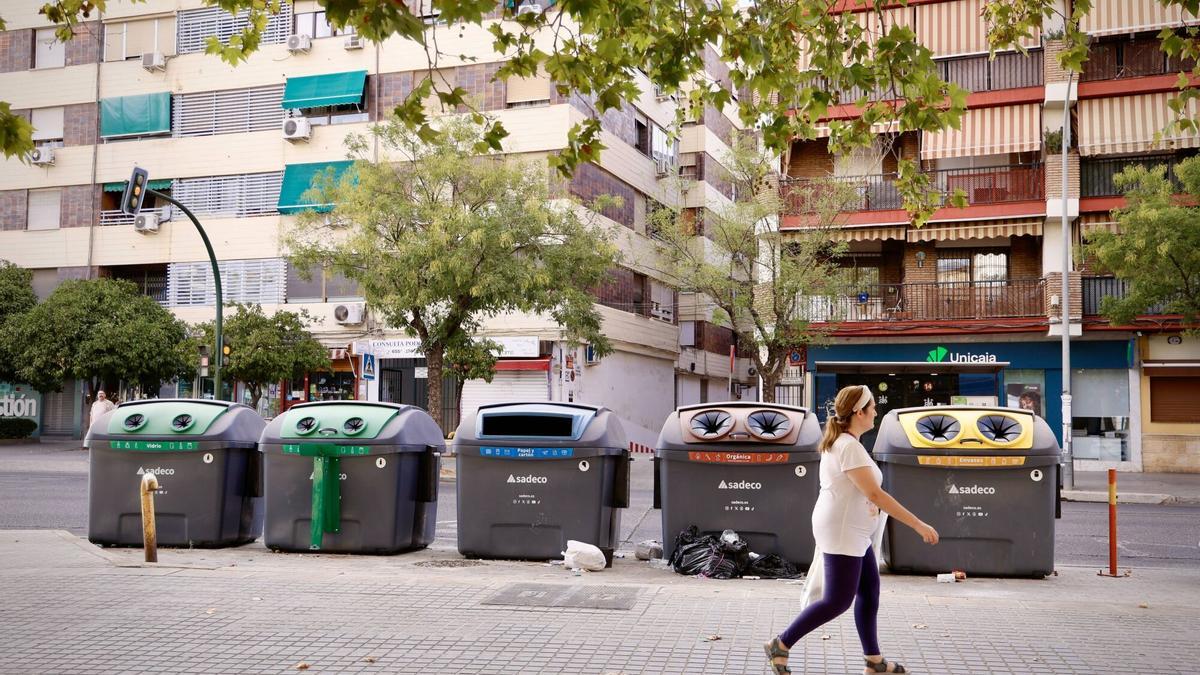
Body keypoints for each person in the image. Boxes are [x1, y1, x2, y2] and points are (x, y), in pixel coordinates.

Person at [763, 385, 940, 675]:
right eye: (872, 407)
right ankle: (780, 644)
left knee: (869, 591)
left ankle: (874, 661)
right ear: (859, 412)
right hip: (843, 531)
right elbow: (876, 494)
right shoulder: (848, 446)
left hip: (852, 531)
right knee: (838, 601)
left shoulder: (846, 443)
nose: (876, 412)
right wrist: (918, 525)